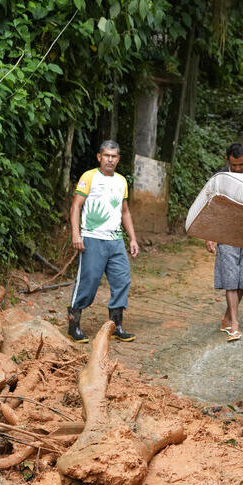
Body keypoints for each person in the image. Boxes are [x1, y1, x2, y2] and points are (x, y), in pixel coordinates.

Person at [66, 140, 140, 344]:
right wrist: (76, 234)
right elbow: (75, 207)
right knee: (88, 282)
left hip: (115, 241)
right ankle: (74, 325)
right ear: (99, 157)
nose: (110, 159)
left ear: (118, 159)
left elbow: (125, 212)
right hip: (92, 238)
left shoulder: (121, 181)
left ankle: (116, 325)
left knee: (122, 280)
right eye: (106, 155)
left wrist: (132, 239)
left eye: (114, 156)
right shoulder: (89, 177)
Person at [204, 142, 243, 342]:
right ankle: (234, 325)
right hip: (226, 233)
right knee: (230, 278)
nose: (237, 169)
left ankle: (228, 317)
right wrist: (209, 235)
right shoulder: (219, 179)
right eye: (233, 165)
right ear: (227, 160)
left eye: (240, 165)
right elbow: (210, 207)